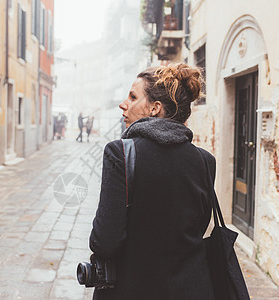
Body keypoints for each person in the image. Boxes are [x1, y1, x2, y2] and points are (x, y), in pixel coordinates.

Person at [89, 62, 215, 299]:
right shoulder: (205, 161)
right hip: (191, 290)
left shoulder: (120, 153)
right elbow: (195, 229)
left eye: (133, 97)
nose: (123, 104)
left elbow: (106, 241)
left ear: (154, 108)